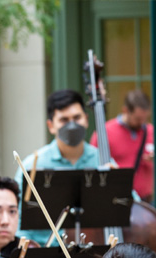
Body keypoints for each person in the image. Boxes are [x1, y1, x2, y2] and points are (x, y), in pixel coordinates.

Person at [15, 89, 100, 244]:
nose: (72, 125)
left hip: (96, 255)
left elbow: (130, 206)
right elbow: (18, 221)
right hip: (46, 254)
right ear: (51, 126)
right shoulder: (32, 165)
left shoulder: (102, 160)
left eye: (77, 117)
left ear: (86, 120)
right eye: (64, 120)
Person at [91, 89, 155, 203]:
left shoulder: (151, 131)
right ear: (125, 110)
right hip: (117, 199)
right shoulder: (105, 132)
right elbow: (93, 163)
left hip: (147, 200)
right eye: (138, 119)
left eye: (145, 119)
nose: (142, 123)